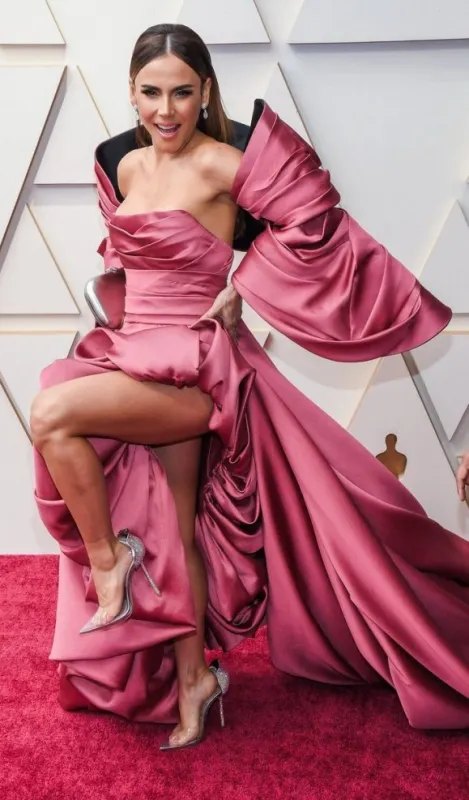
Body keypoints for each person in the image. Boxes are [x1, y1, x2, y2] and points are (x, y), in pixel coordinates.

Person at [31, 23, 469, 750]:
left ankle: (111, 562)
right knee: (174, 526)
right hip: (134, 354)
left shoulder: (223, 163)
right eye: (150, 92)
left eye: (181, 92)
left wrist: (245, 285)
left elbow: (313, 215)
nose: (165, 110)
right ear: (131, 91)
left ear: (205, 90)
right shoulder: (121, 166)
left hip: (197, 369)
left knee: (52, 412)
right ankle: (193, 682)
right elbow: (127, 262)